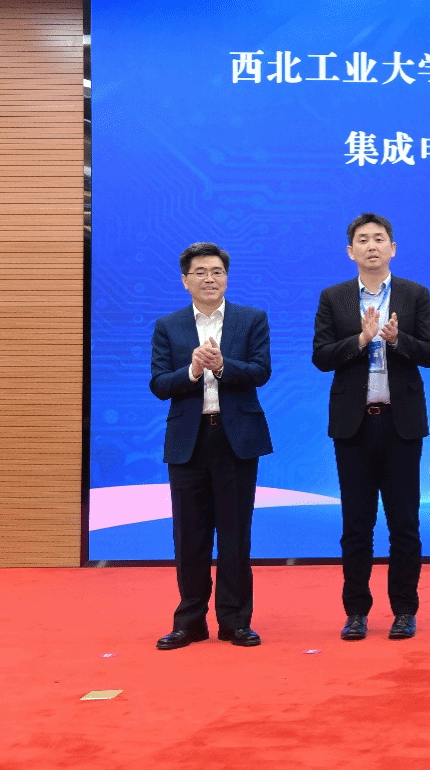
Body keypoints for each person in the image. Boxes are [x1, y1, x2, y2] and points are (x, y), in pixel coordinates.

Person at [312, 213, 430, 641]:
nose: (372, 246)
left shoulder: (414, 294)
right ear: (351, 251)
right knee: (356, 525)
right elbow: (321, 356)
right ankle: (356, 612)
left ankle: (404, 610)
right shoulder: (334, 297)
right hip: (354, 426)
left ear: (393, 248)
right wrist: (362, 340)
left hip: (401, 425)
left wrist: (397, 339)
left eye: (379, 239)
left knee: (404, 524)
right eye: (363, 240)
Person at [149, 242, 273, 650]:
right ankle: (189, 622)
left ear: (227, 278)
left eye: (217, 271)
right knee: (190, 536)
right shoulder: (168, 326)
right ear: (185, 280)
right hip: (189, 440)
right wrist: (192, 369)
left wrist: (221, 366)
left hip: (236, 439)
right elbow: (159, 384)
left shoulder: (251, 319)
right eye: (200, 272)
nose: (209, 278)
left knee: (236, 534)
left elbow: (260, 371)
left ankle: (235, 621)